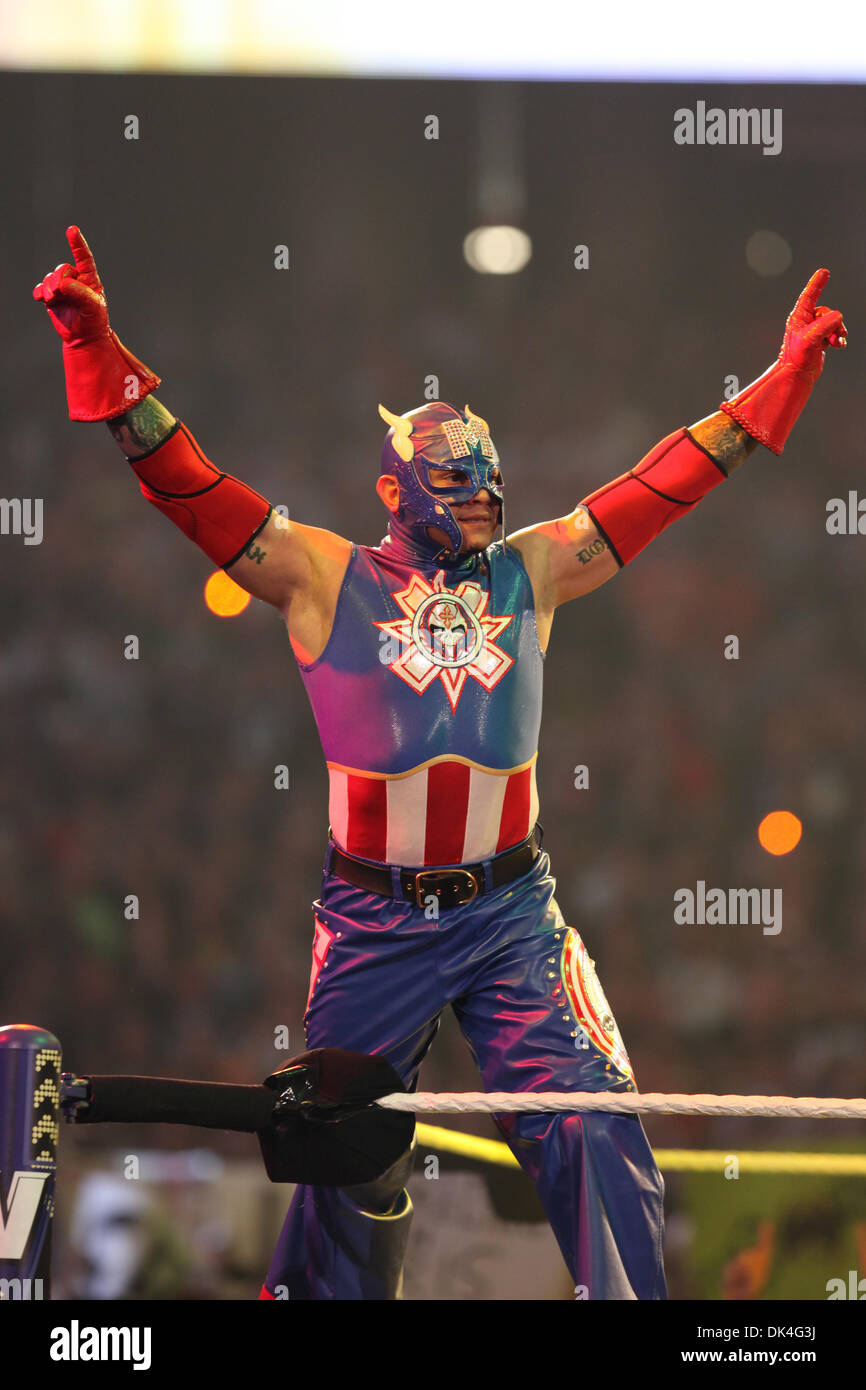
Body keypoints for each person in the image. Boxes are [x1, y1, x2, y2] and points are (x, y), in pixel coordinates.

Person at [34, 227, 847, 1301]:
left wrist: (770, 390)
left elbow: (654, 488)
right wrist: (105, 354)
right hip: (374, 921)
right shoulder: (323, 574)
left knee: (592, 1121)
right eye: (454, 479)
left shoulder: (531, 571)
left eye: (487, 476)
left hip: (511, 912)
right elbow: (192, 486)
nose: (479, 494)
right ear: (393, 490)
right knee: (339, 1155)